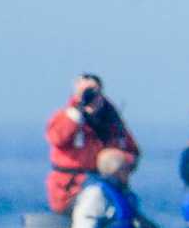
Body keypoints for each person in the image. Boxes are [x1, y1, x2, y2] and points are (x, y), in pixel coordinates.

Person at [45, 74, 139, 214]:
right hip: (72, 191)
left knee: (131, 211)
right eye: (85, 91)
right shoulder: (65, 118)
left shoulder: (113, 121)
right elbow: (57, 138)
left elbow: (133, 151)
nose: (90, 96)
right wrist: (77, 113)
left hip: (111, 187)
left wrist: (117, 161)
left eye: (94, 91)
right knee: (93, 200)